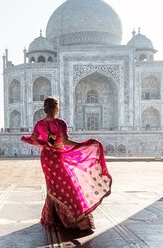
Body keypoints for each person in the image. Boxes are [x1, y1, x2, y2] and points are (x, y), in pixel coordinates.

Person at [21, 96, 112, 230]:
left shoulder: (39, 124)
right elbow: (65, 141)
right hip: (57, 156)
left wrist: (46, 145)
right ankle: (74, 218)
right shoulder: (59, 123)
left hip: (46, 158)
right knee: (68, 185)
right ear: (56, 108)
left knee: (53, 187)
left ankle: (53, 217)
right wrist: (82, 145)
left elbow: (34, 139)